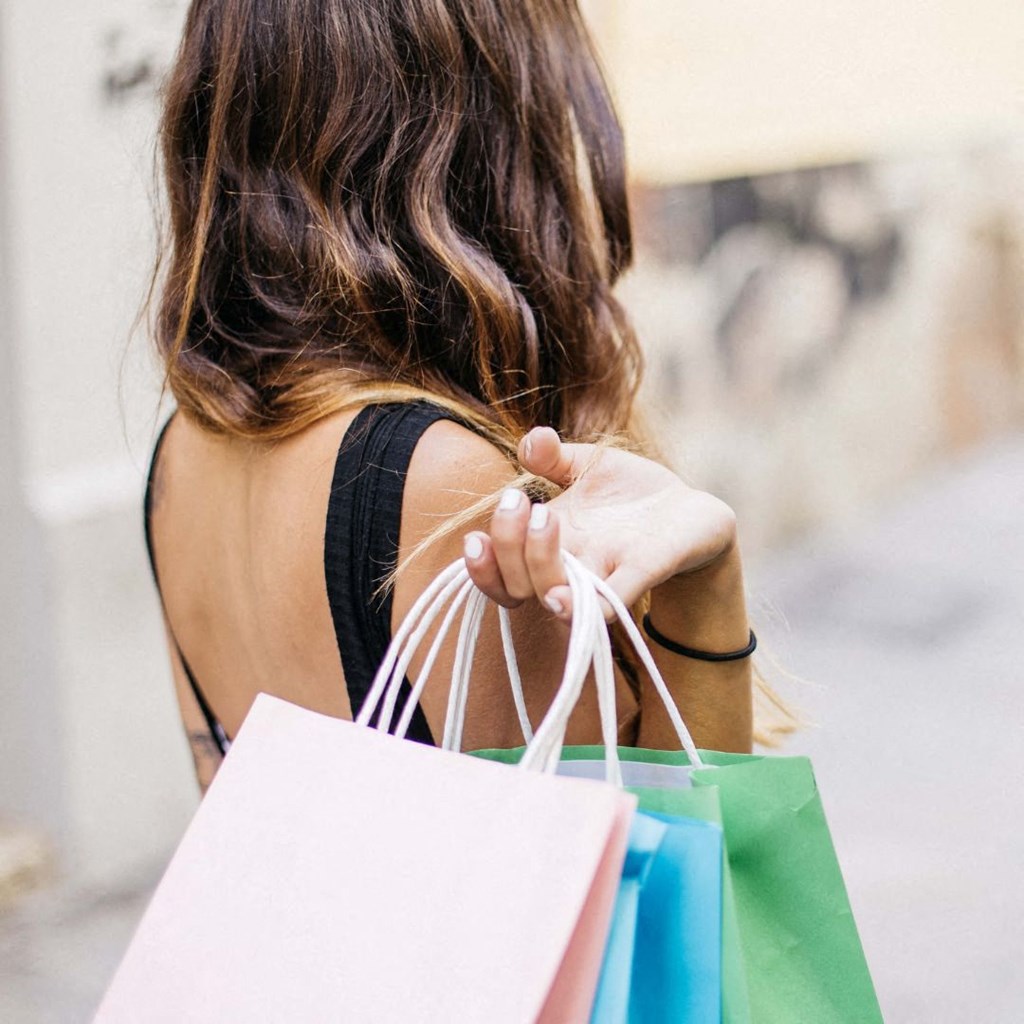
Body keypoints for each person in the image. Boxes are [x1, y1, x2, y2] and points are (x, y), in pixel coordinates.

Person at [144, 0, 784, 794]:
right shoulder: (445, 482)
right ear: (500, 135)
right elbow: (662, 875)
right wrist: (708, 586)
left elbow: (229, 801)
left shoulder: (181, 453)